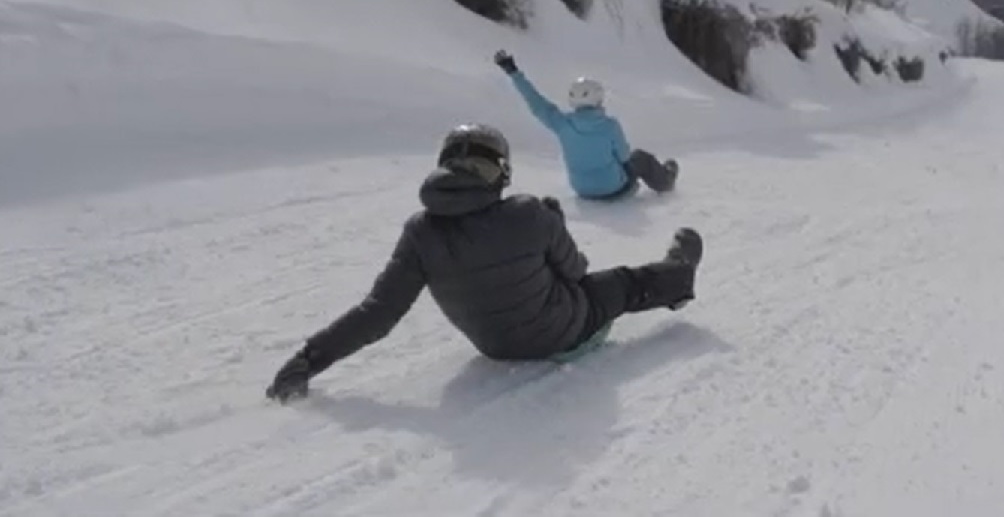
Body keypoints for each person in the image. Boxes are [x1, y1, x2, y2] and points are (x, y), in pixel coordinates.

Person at [264, 123, 704, 404]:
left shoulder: (420, 231)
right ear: (500, 173)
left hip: (496, 348)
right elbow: (575, 272)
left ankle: (672, 280)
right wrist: (553, 224)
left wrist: (309, 359)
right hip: (563, 332)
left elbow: (378, 314)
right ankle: (679, 275)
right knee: (625, 284)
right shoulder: (529, 212)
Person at [493, 50, 678, 201]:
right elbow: (623, 157)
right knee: (640, 158)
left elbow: (536, 102)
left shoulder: (561, 123)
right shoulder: (610, 126)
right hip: (613, 189)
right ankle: (666, 180)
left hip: (581, 189)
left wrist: (513, 72)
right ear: (598, 98)